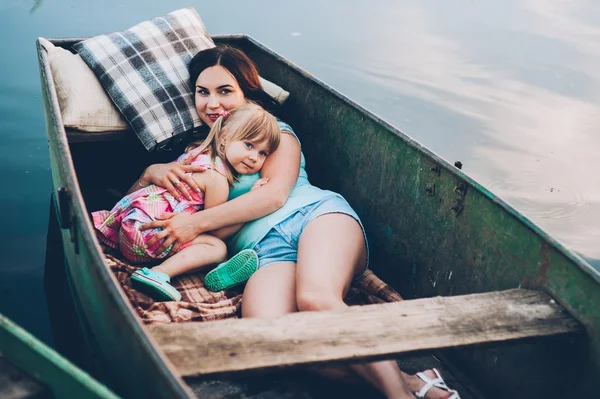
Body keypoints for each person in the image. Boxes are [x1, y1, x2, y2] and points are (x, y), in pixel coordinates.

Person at [135, 46, 460, 399]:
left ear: (247, 92)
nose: (213, 104)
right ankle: (414, 382)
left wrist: (194, 224)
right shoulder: (195, 153)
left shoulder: (272, 132)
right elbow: (136, 204)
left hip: (314, 220)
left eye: (225, 91)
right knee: (274, 344)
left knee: (315, 299)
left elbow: (273, 196)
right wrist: (150, 173)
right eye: (203, 92)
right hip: (265, 255)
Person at [93, 102, 280, 301]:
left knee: (204, 245)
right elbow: (216, 230)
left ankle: (217, 271)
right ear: (224, 138)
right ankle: (158, 273)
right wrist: (248, 207)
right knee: (216, 247)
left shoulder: (196, 152)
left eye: (262, 153)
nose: (254, 157)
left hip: (128, 223)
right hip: (148, 237)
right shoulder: (217, 179)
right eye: (249, 145)